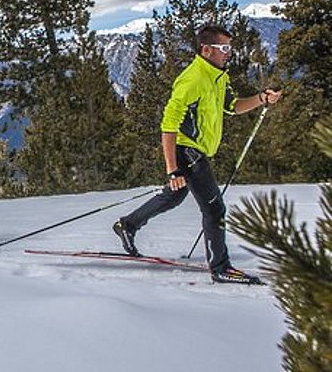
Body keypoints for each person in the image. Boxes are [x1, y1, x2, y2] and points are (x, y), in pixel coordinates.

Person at [113, 25, 282, 284]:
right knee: (214, 209)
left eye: (230, 48)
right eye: (224, 48)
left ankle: (128, 225)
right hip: (186, 150)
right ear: (206, 49)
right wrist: (173, 168)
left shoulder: (218, 75)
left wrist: (261, 98)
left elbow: (232, 106)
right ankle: (221, 268)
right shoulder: (192, 80)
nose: (229, 54)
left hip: (196, 149)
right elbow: (168, 126)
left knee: (174, 196)